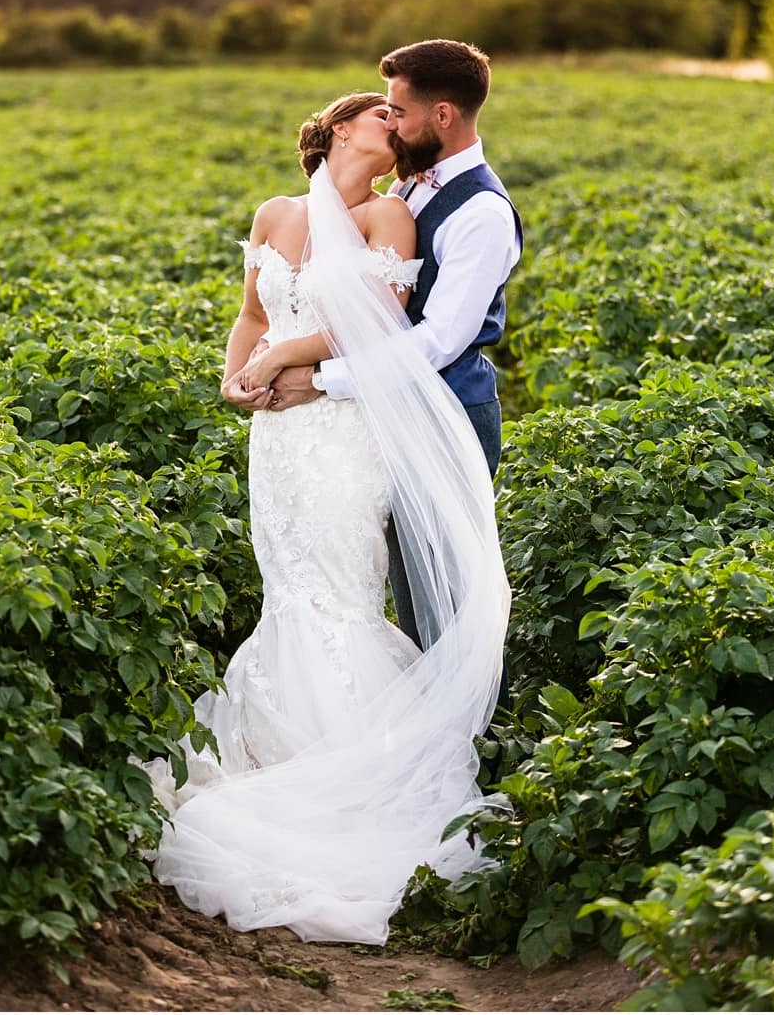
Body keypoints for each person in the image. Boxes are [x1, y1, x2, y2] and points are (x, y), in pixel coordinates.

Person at [142, 86, 511, 946]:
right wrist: (237, 376)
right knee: (288, 584)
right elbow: (250, 312)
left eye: (402, 111)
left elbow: (371, 327)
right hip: (276, 436)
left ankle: (361, 769)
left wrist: (282, 356)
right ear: (342, 127)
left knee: (342, 589)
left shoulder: (394, 220)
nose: (396, 121)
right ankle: (281, 745)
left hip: (344, 430)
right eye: (380, 113)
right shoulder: (274, 211)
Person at [259, 40, 522, 695]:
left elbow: (436, 341)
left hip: (448, 411)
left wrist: (318, 379)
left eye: (399, 110)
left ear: (441, 115)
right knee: (399, 581)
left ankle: (462, 751)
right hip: (382, 411)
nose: (392, 122)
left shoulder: (483, 213)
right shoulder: (405, 185)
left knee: (449, 598)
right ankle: (409, 726)